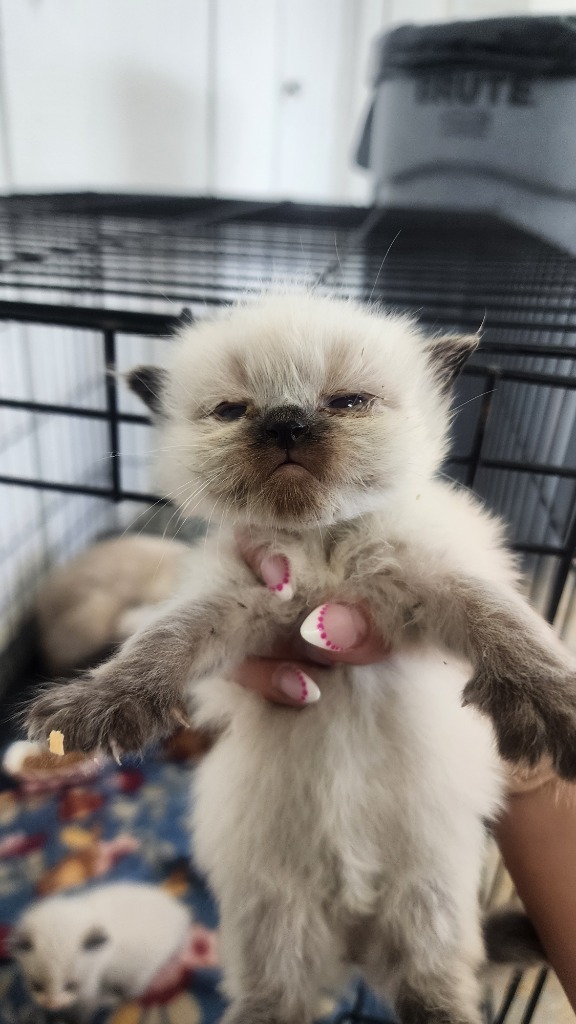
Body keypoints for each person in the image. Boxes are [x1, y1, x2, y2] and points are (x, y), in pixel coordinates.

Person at [232, 546, 576, 1013]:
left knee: (430, 945)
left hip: (413, 803)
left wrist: (526, 685)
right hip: (290, 808)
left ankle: (432, 972)